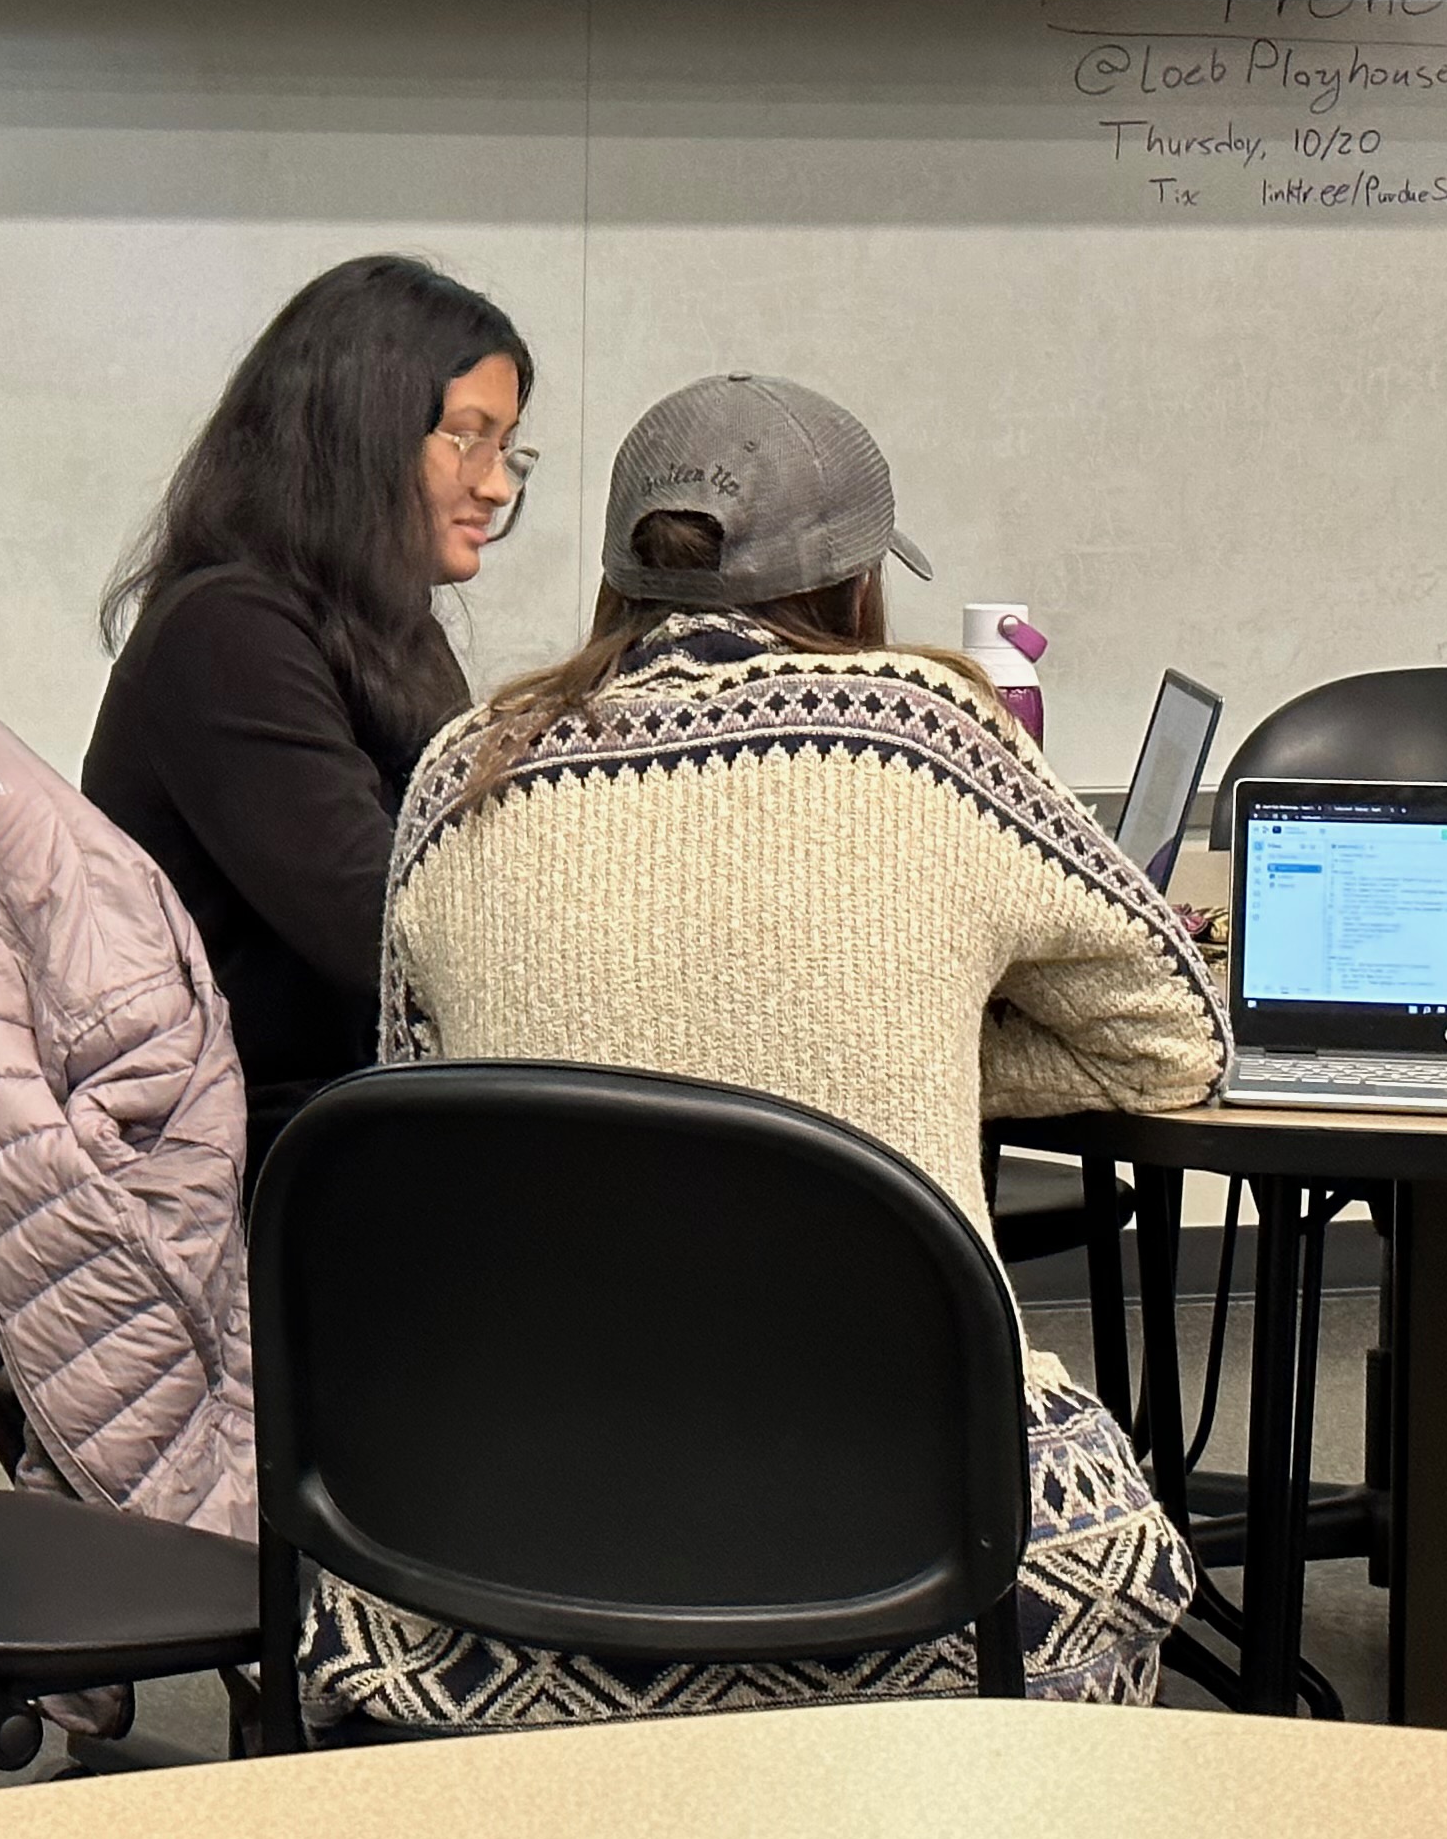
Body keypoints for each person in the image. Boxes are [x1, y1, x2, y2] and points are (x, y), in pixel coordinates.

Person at [301, 372, 1220, 1737]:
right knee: (1106, 1545)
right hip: (910, 1544)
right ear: (856, 583)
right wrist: (896, 1050)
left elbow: (424, 1098)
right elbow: (1174, 1042)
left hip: (501, 1535)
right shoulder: (931, 729)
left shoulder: (463, 769)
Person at [83, 256, 536, 1175]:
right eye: (468, 439)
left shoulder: (392, 632)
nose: (494, 486)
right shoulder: (226, 634)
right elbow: (391, 931)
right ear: (360, 431)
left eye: (510, 451)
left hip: (366, 1122)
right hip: (255, 1159)